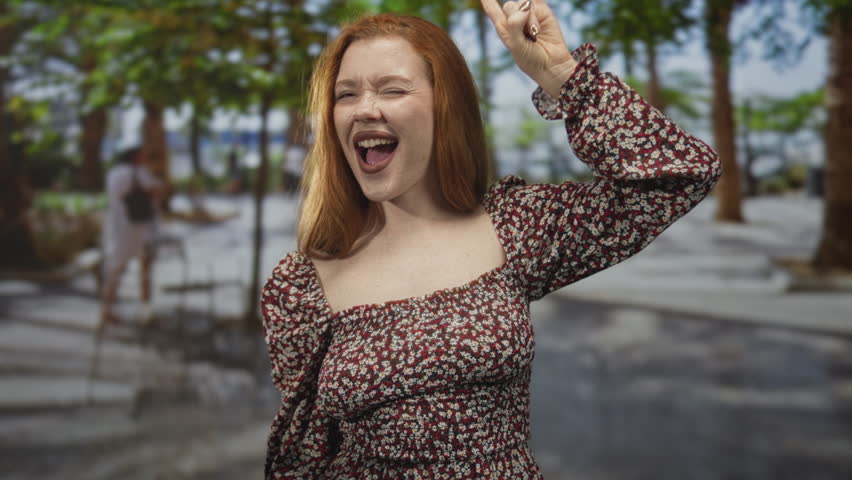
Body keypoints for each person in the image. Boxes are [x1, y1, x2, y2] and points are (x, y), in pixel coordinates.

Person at [260, 1, 721, 478]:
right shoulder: (300, 287)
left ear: (446, 105)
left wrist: (564, 76)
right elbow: (304, 457)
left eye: (392, 89)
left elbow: (680, 176)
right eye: (346, 94)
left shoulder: (515, 227)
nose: (365, 109)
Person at [100, 146, 164, 325]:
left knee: (116, 267)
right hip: (138, 227)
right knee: (145, 268)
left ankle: (107, 308)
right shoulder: (139, 173)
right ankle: (145, 309)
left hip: (118, 225)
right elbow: (157, 191)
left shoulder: (114, 173)